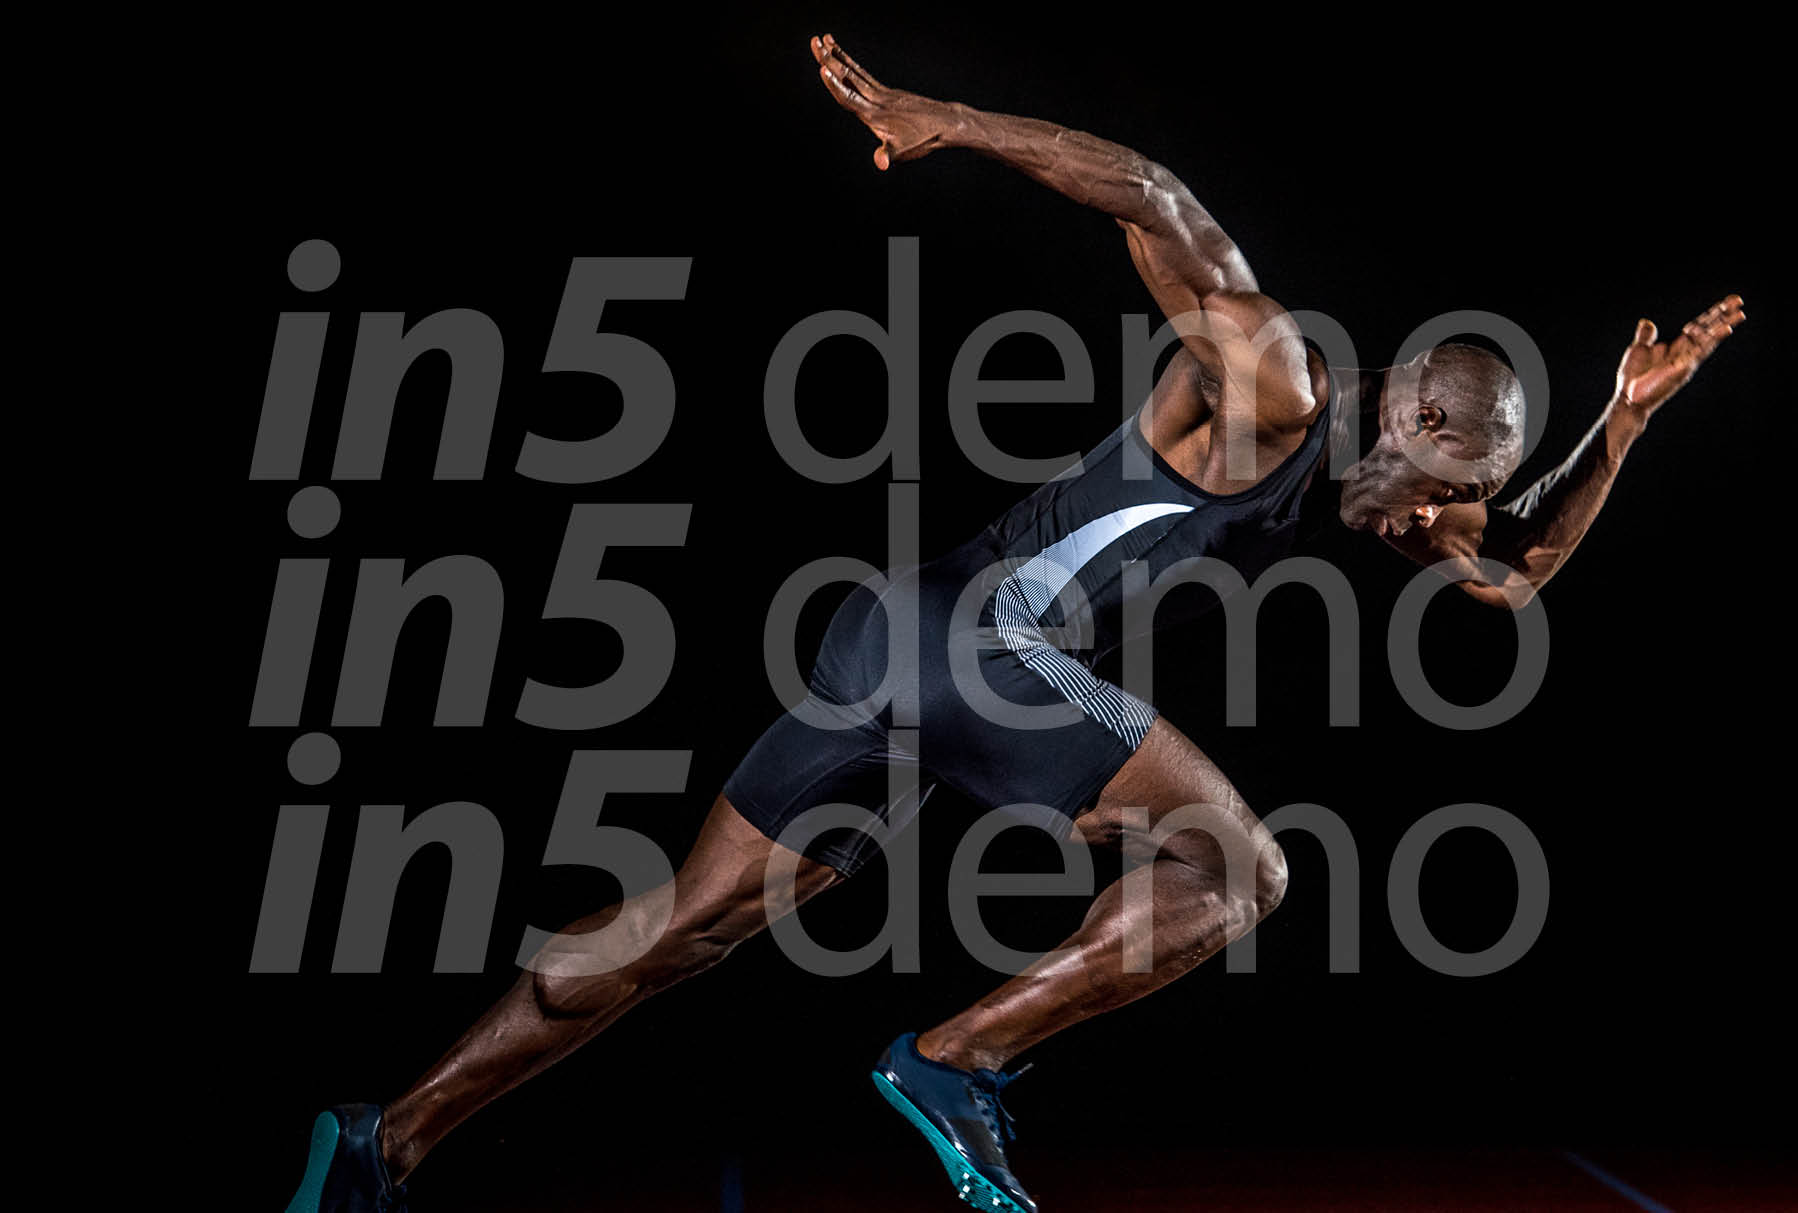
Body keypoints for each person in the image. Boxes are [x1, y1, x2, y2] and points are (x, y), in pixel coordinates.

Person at [282, 34, 1743, 1213]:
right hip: (977, 645)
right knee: (1240, 866)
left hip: (901, 648)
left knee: (682, 930)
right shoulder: (1282, 383)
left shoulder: (1389, 491)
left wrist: (1617, 429)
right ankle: (951, 1059)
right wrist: (953, 121)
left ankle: (377, 1141)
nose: (1440, 532)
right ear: (1417, 413)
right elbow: (1162, 199)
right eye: (1447, 492)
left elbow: (1515, 580)